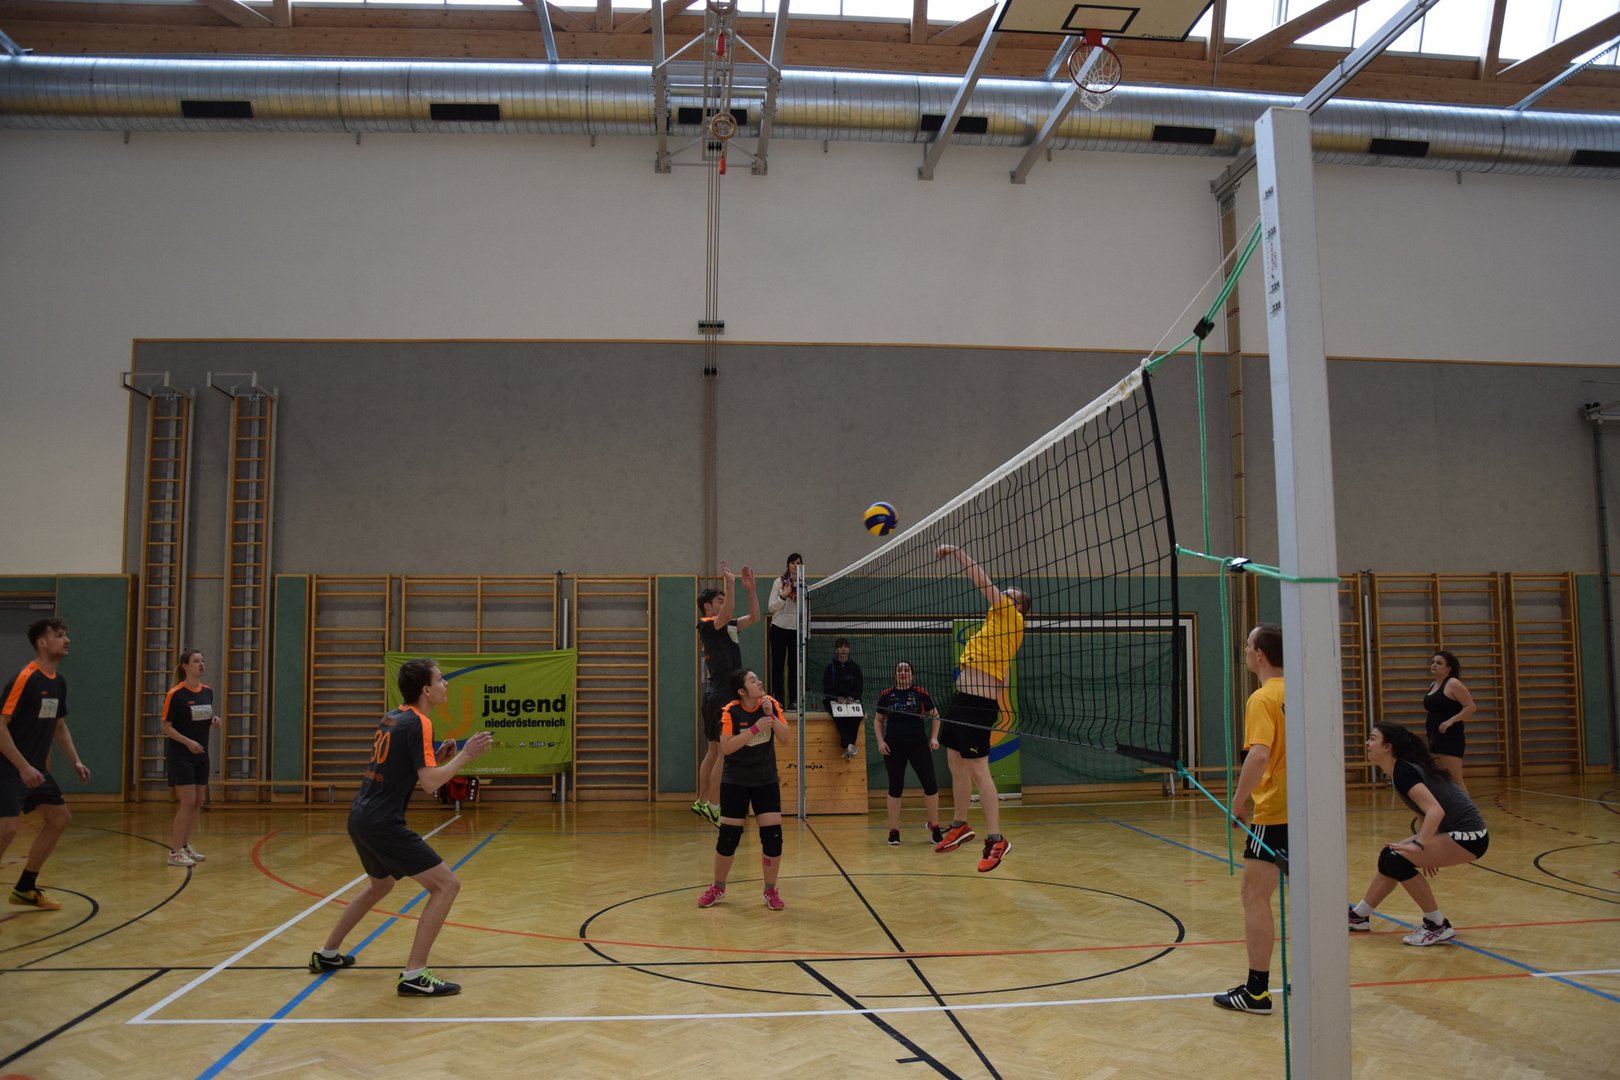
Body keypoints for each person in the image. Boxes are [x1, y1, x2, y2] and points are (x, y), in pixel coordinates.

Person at [309, 658, 492, 996]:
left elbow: (404, 765)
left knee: (380, 885)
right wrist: (465, 755)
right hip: (382, 822)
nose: (445, 684)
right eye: (440, 679)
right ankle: (414, 974)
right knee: (446, 886)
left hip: (361, 815)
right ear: (426, 690)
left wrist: (437, 754)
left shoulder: (394, 716)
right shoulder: (420, 722)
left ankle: (327, 953)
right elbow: (429, 784)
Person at [932, 544, 1031, 873]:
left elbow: (981, 580)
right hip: (962, 700)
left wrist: (957, 551)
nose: (1000, 595)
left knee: (978, 769)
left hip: (977, 706)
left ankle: (996, 839)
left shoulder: (1011, 617)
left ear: (1018, 606)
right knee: (954, 759)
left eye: (1008, 595)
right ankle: (960, 824)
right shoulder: (996, 627)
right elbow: (1003, 671)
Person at [1348, 721, 1488, 946]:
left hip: (1471, 837)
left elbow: (1435, 811)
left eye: (1373, 738)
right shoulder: (1399, 770)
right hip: (1453, 833)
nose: (1367, 743)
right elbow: (1424, 812)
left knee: (1397, 860)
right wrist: (1429, 847)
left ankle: (1437, 924)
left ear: (1388, 747)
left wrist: (1421, 845)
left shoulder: (1404, 772)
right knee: (1389, 855)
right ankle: (1359, 916)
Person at [1213, 622, 1287, 1015]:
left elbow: (1259, 754)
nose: (1244, 651)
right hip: (1312, 809)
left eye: (1247, 646)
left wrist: (1238, 802)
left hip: (1275, 811)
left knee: (1254, 895)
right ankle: (1315, 977)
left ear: (1259, 655)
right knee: (1311, 896)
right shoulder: (1303, 691)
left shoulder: (1262, 697)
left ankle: (1256, 992)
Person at [0, 618, 91, 914]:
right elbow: (0, 726)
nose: (67, 640)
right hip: (9, 767)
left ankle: (25, 888)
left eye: (66, 635)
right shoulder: (25, 678)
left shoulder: (58, 682)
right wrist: (23, 767)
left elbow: (59, 726)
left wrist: (75, 760)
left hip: (35, 769)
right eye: (60, 635)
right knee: (6, 829)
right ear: (42, 642)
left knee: (59, 818)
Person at [698, 669, 789, 911]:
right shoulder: (730, 711)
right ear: (741, 691)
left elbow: (786, 738)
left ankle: (770, 891)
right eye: (752, 680)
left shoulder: (770, 704)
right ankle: (718, 887)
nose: (759, 682)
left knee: (773, 838)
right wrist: (755, 728)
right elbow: (727, 747)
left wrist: (772, 717)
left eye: (758, 679)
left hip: (765, 780)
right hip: (736, 781)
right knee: (728, 837)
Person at [694, 562, 760, 826]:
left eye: (724, 599)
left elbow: (754, 617)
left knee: (713, 750)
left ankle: (702, 802)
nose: (724, 604)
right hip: (721, 695)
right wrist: (731, 585)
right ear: (708, 607)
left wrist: (750, 590)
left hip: (717, 695)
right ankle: (714, 806)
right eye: (719, 601)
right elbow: (728, 614)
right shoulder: (706, 624)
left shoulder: (728, 625)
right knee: (723, 752)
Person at [161, 647, 220, 867]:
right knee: (187, 802)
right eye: (196, 661)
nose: (201, 664)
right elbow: (167, 726)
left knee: (196, 803)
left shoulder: (207, 691)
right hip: (181, 755)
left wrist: (213, 719)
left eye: (202, 661)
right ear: (185, 666)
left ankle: (184, 845)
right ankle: (174, 852)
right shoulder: (175, 694)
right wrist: (188, 742)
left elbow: (201, 715)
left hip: (201, 755)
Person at [874, 660, 943, 846]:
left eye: (906, 670)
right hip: (893, 747)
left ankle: (935, 827)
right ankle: (894, 831)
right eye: (899, 670)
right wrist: (880, 741)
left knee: (930, 784)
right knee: (895, 787)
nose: (902, 672)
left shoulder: (920, 693)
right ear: (895, 674)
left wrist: (934, 738)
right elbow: (878, 720)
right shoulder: (886, 695)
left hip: (918, 745)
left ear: (912, 675)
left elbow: (936, 716)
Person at [1423, 649, 1475, 794]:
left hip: (1450, 736)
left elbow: (1470, 707)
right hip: (1435, 735)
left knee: (1455, 779)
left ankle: (1467, 808)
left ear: (1448, 668)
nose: (1434, 665)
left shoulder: (1453, 683)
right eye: (1433, 662)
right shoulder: (1433, 684)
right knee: (1441, 778)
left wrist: (1450, 721)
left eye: (1439, 663)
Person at [765, 553, 803, 707]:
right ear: (788, 565)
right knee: (778, 666)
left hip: (796, 630)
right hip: (779, 628)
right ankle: (778, 700)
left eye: (798, 563)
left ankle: (793, 701)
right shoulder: (779, 582)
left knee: (794, 667)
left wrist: (805, 632)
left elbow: (806, 611)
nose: (795, 565)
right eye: (792, 563)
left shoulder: (804, 585)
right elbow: (771, 607)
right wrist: (784, 595)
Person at [822, 637, 865, 758]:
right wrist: (837, 698)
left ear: (849, 649)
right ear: (836, 650)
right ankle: (848, 744)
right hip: (834, 700)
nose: (843, 649)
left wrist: (852, 698)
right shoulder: (830, 668)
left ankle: (849, 745)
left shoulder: (855, 668)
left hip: (851, 700)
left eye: (845, 647)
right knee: (840, 717)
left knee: (857, 716)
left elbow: (859, 689)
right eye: (840, 647)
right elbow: (826, 689)